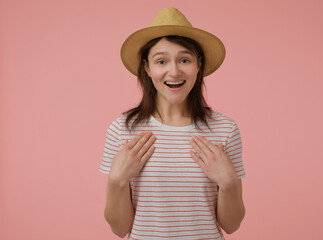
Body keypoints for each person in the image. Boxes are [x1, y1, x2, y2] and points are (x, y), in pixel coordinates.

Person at [99, 7, 246, 240]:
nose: (174, 71)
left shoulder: (225, 129)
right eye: (161, 61)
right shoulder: (122, 129)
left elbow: (232, 224)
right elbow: (119, 229)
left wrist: (229, 183)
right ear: (147, 68)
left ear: (198, 65)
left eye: (184, 59)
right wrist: (117, 181)